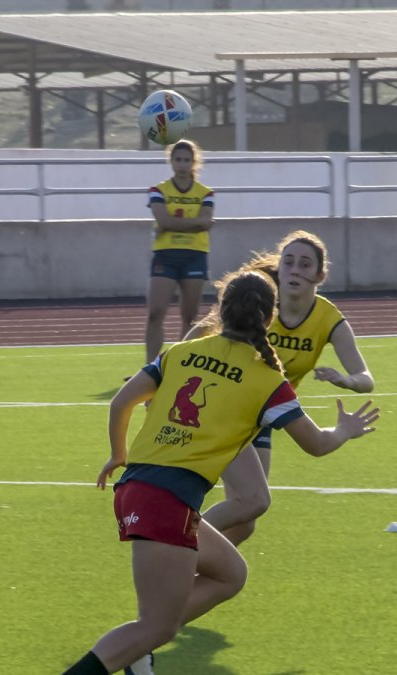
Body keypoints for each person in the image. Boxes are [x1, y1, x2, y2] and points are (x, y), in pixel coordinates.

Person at [64, 270, 379, 675]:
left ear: (220, 311)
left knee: (232, 574)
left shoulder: (181, 352)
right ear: (270, 320)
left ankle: (141, 641)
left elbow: (120, 404)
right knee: (154, 626)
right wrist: (345, 430)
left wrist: (117, 454)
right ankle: (139, 643)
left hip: (137, 488)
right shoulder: (267, 379)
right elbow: (316, 444)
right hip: (167, 501)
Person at [196, 230, 375, 546]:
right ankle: (180, 546)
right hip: (226, 407)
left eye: (305, 264)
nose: (295, 270)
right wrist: (165, 370)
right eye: (288, 262)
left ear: (320, 275)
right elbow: (203, 329)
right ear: (279, 269)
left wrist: (347, 381)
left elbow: (365, 377)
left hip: (262, 413)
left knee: (246, 519)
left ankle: (189, 561)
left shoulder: (328, 318)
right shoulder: (262, 301)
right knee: (249, 504)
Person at [143, 139, 215, 365]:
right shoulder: (158, 190)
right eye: (178, 159)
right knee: (155, 312)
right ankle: (150, 367)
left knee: (189, 316)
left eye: (187, 160)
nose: (182, 164)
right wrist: (194, 223)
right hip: (166, 254)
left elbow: (204, 222)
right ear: (171, 162)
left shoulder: (205, 193)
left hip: (195, 255)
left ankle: (178, 365)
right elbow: (162, 220)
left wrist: (174, 222)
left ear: (195, 162)